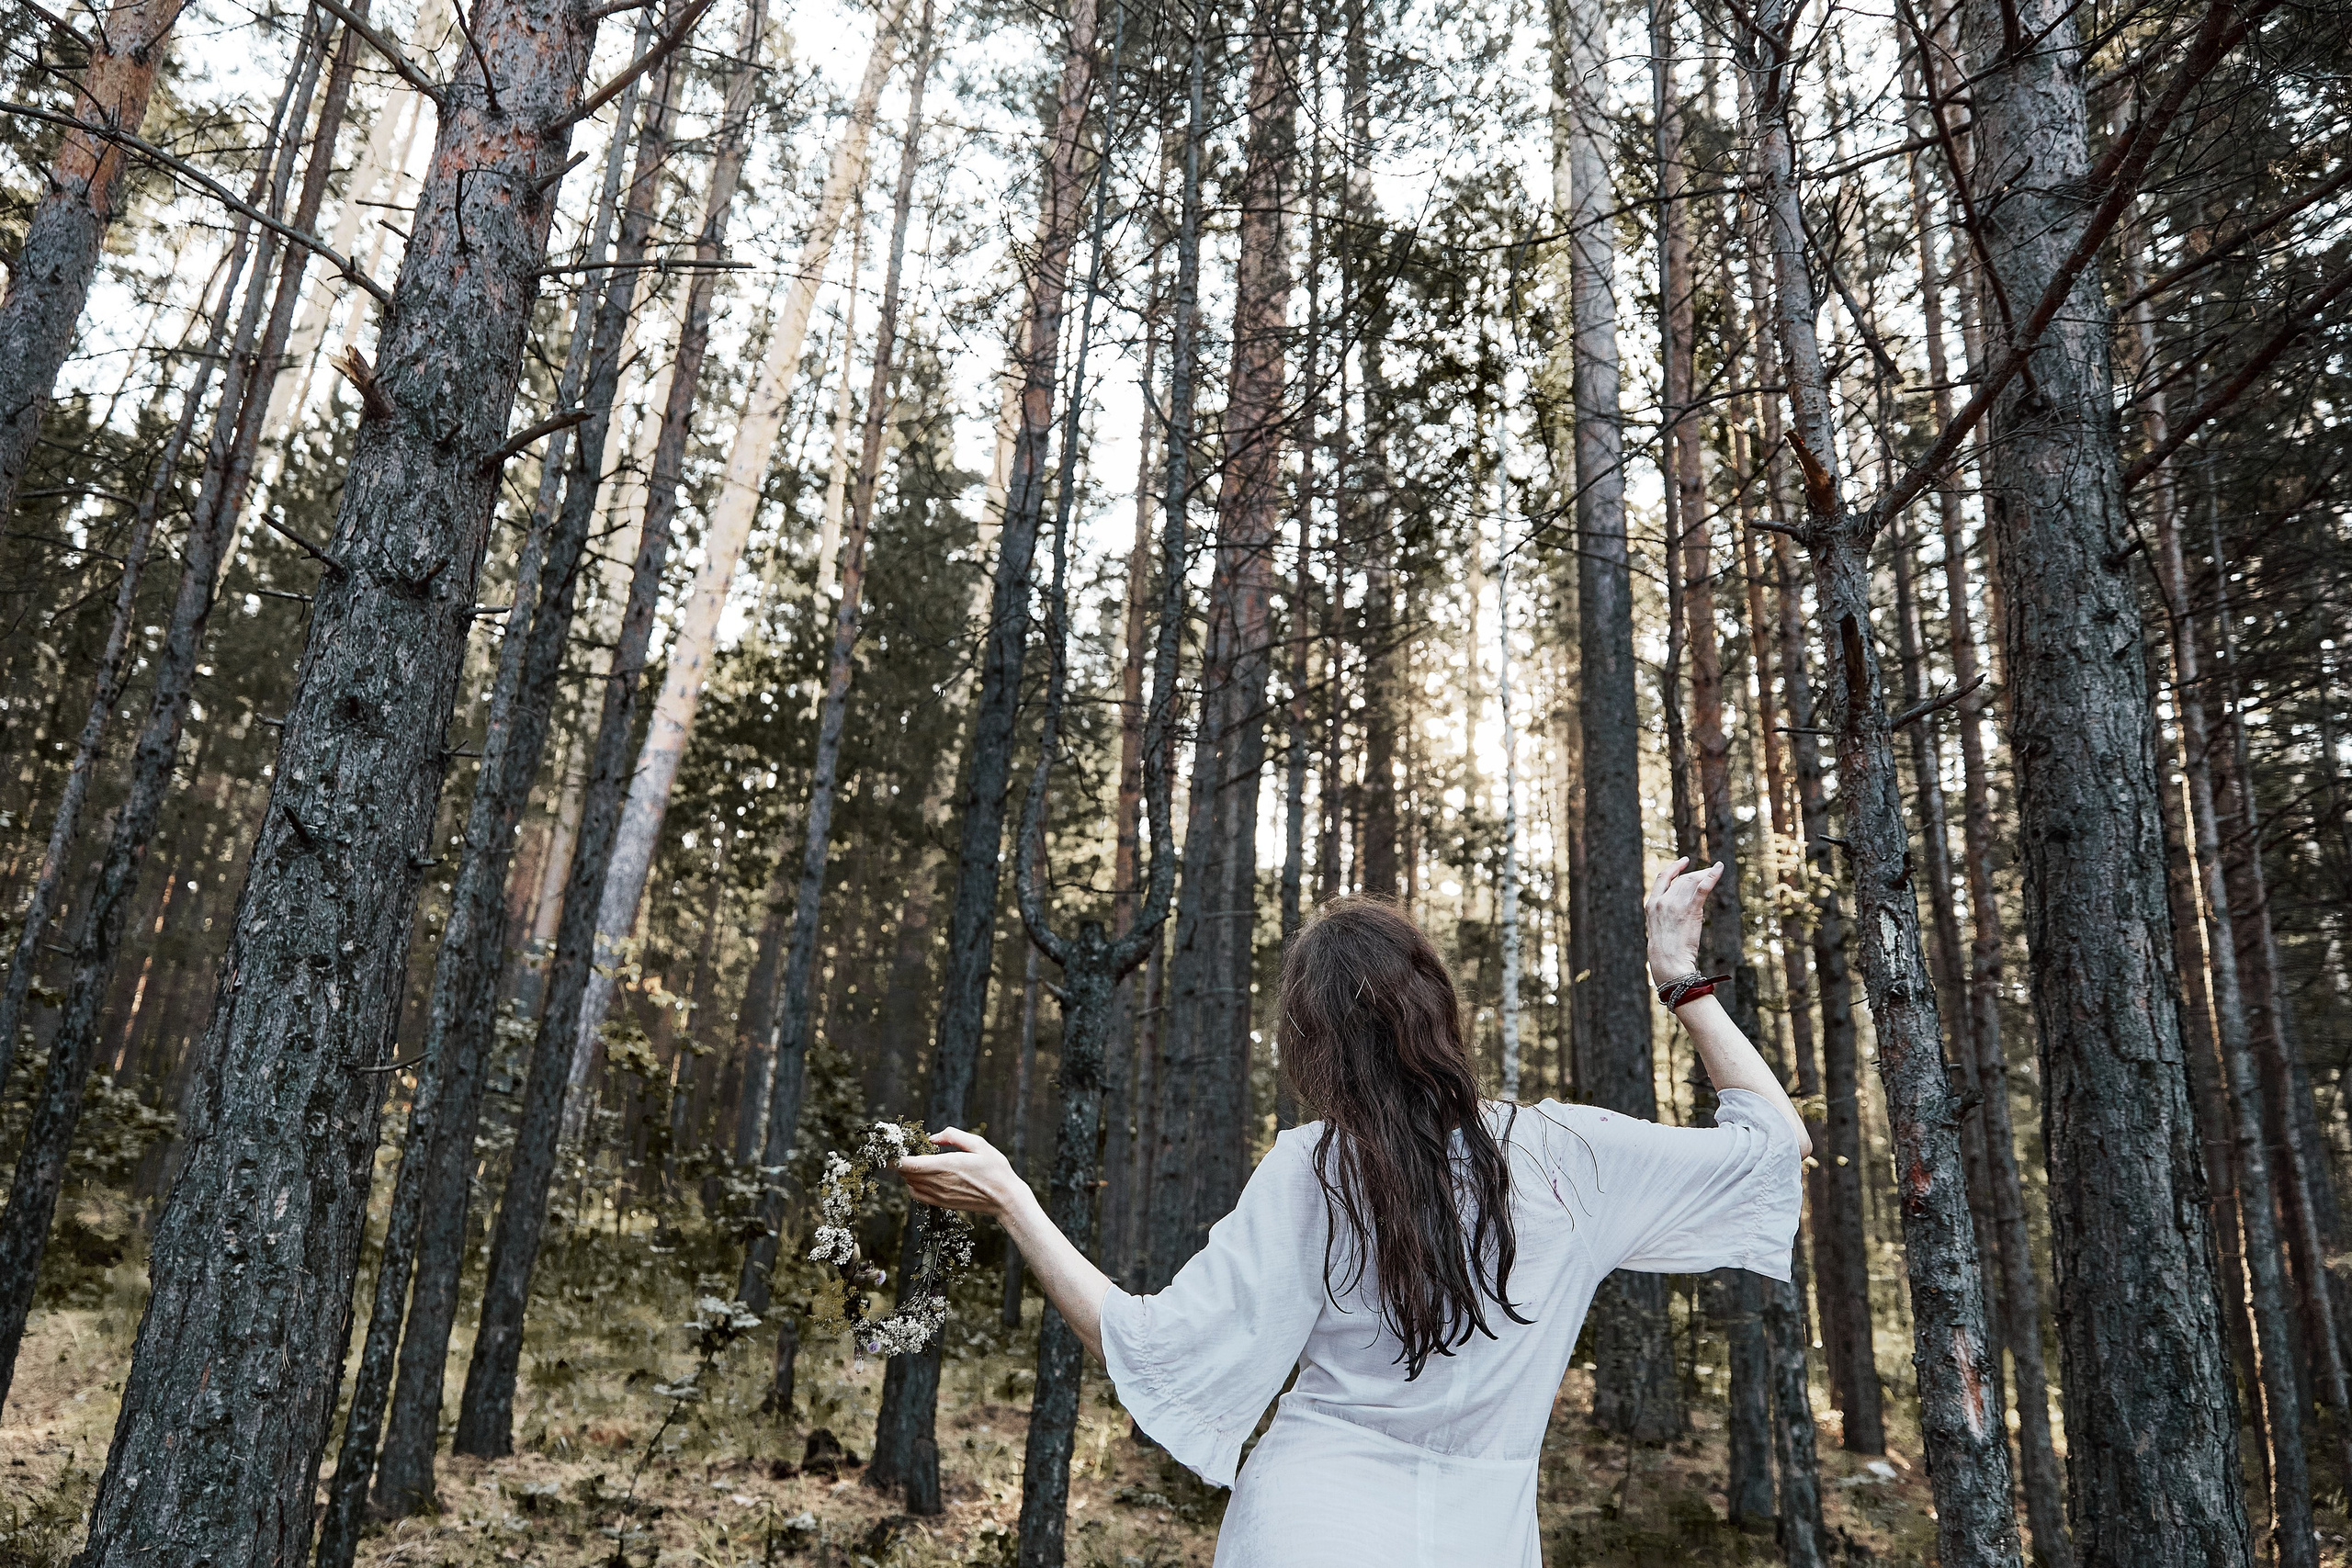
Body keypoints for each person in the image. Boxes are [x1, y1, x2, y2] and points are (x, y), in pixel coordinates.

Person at [898, 857, 1809, 1567]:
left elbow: (1145, 1345)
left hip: (1307, 1522)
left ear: (1311, 1045)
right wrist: (1678, 977)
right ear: (1441, 1006)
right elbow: (1778, 1144)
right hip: (1470, 1534)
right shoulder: (1572, 1155)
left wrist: (1013, 1198)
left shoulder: (1312, 1168)